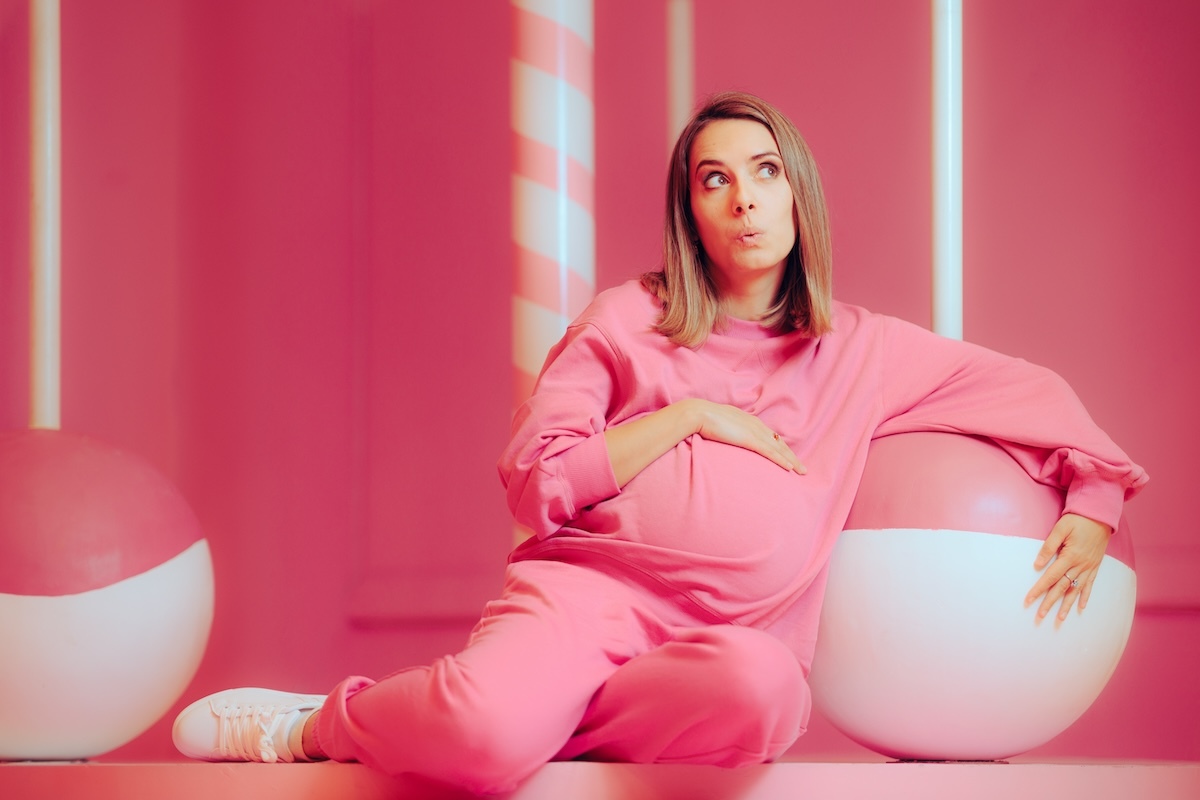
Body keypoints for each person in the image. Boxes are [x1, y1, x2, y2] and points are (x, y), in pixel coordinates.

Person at [172, 91, 1147, 794]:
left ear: (798, 193)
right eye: (714, 179)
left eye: (765, 173)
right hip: (590, 596)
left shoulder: (862, 349)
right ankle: (315, 722)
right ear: (691, 209)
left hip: (732, 637)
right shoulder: (626, 320)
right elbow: (535, 481)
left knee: (763, 701)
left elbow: (1031, 391)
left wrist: (1094, 503)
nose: (745, 200)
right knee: (478, 732)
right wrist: (684, 418)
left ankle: (533, 720)